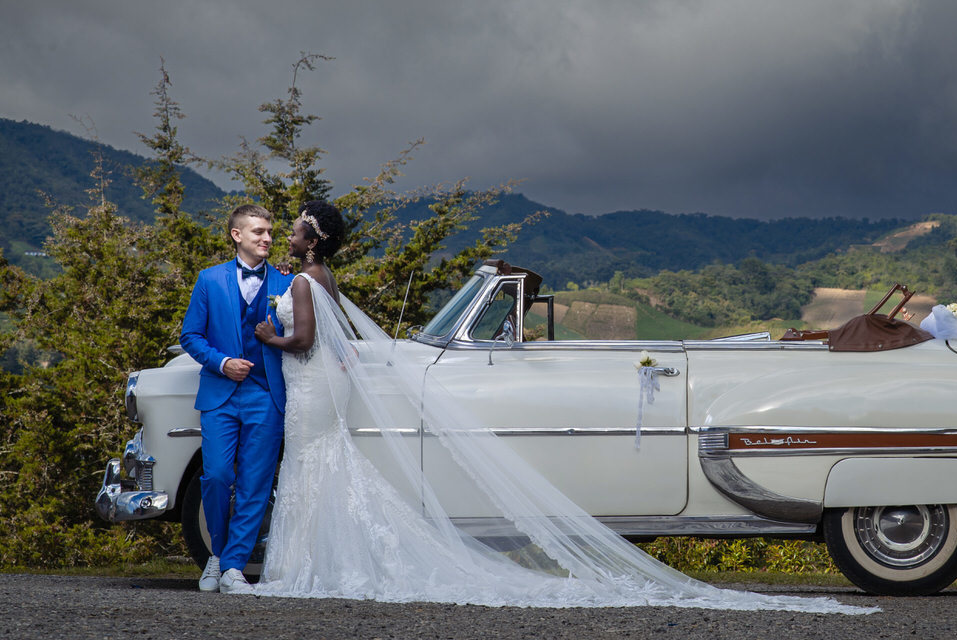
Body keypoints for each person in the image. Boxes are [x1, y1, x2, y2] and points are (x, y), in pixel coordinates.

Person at [250, 200, 872, 614]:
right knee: (322, 469)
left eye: (298, 226)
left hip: (307, 385)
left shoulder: (307, 280)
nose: (292, 233)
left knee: (317, 469)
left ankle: (302, 561)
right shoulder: (320, 278)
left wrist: (266, 340)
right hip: (319, 387)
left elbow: (305, 340)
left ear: (312, 238)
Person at [180, 204, 292, 594]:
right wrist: (222, 361)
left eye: (271, 232)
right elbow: (190, 336)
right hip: (219, 394)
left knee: (255, 482)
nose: (267, 239)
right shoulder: (209, 281)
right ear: (237, 235)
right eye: (259, 231)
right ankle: (218, 554)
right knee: (216, 476)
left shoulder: (286, 284)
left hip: (266, 394)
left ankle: (232, 568)